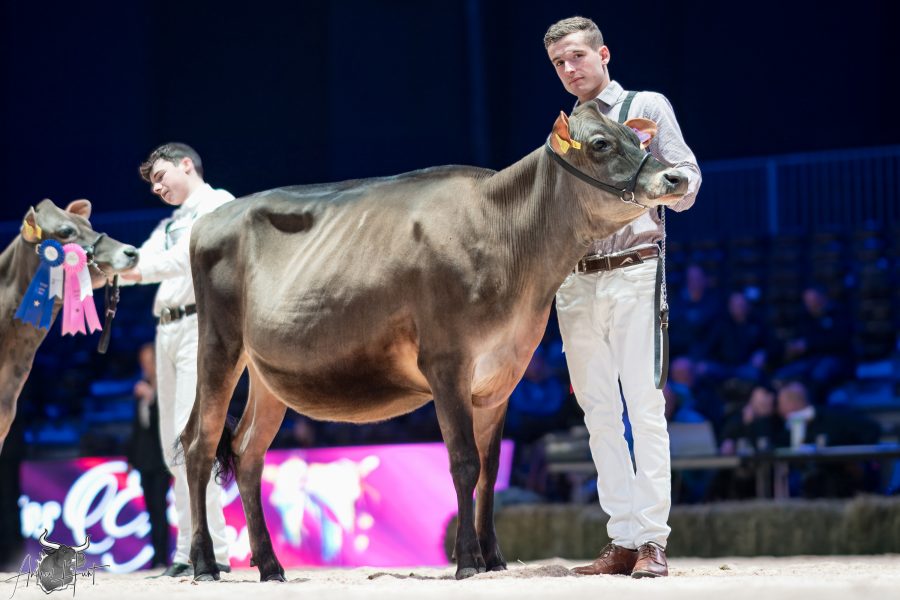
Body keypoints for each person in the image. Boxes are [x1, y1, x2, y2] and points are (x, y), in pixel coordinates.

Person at [544, 16, 702, 578]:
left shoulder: (645, 106)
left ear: (603, 53)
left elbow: (687, 177)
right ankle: (622, 539)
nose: (570, 69)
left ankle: (653, 540)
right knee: (598, 412)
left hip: (636, 268)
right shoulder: (563, 131)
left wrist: (658, 186)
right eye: (559, 63)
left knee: (644, 405)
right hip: (575, 278)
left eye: (577, 56)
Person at [120, 143, 234, 577]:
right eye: (152, 184)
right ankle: (188, 548)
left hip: (200, 328)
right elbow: (140, 258)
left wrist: (127, 270)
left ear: (187, 164)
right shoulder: (168, 223)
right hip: (165, 329)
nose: (157, 187)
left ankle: (213, 549)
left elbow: (181, 259)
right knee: (173, 448)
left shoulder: (218, 204)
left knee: (195, 443)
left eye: (161, 176)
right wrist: (100, 266)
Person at [126, 342, 171, 569]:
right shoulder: (141, 387)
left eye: (149, 361)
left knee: (160, 508)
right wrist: (130, 458)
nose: (146, 366)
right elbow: (137, 428)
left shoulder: (166, 387)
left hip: (161, 459)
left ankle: (163, 556)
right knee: (151, 510)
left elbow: (162, 424)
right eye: (142, 362)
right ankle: (156, 556)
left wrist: (152, 398)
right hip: (144, 459)